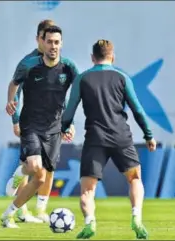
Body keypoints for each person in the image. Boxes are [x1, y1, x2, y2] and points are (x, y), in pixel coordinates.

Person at [61, 39, 156, 239]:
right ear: (112, 56)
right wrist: (148, 135)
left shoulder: (82, 79)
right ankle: (136, 218)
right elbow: (137, 109)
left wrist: (64, 128)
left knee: (87, 189)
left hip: (95, 138)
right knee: (135, 178)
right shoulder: (122, 77)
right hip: (121, 136)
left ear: (92, 58)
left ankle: (89, 223)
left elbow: (69, 110)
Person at [2, 25, 77, 228]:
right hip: (31, 125)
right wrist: (11, 105)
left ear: (61, 43)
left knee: (44, 175)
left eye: (57, 42)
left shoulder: (69, 67)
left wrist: (69, 124)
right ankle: (20, 176)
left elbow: (76, 96)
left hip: (54, 128)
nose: (53, 46)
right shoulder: (29, 65)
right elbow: (13, 85)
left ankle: (11, 213)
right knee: (35, 168)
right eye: (49, 41)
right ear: (41, 41)